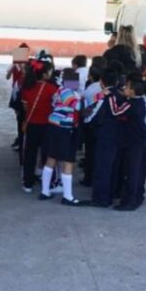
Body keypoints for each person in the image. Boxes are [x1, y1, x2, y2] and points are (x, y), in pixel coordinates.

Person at [38, 68, 83, 205]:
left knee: (51, 158)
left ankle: (45, 191)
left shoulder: (59, 91)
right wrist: (98, 97)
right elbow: (79, 107)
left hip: (53, 127)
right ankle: (67, 196)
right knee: (68, 161)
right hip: (63, 129)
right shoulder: (67, 93)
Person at [87, 68, 126, 208]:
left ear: (102, 82)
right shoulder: (121, 95)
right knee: (113, 167)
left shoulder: (104, 96)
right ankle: (110, 195)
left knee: (102, 167)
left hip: (104, 136)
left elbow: (92, 117)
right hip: (118, 136)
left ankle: (101, 198)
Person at [20, 58, 58, 193]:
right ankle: (49, 183)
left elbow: (25, 107)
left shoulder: (27, 87)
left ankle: (27, 182)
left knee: (30, 154)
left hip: (31, 124)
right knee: (47, 155)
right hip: (47, 125)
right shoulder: (52, 89)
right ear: (45, 74)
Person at [114, 73, 146, 211]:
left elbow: (116, 111)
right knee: (137, 171)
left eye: (127, 87)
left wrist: (115, 96)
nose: (124, 89)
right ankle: (137, 197)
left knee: (131, 172)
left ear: (132, 91)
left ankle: (129, 201)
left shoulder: (130, 104)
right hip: (140, 141)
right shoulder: (141, 102)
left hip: (133, 143)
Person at [80, 63, 105, 187]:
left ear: (90, 75)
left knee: (89, 153)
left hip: (89, 123)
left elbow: (81, 101)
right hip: (101, 125)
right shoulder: (104, 88)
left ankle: (88, 178)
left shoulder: (89, 88)